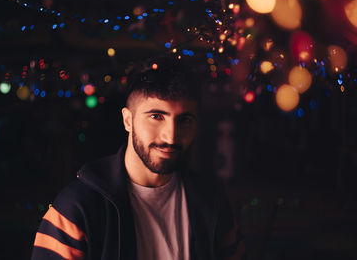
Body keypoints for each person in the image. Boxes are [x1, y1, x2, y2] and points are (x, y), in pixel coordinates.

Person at [31, 59, 245, 260]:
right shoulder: (76, 207)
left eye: (184, 120)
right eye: (156, 117)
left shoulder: (212, 202)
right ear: (128, 120)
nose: (170, 136)